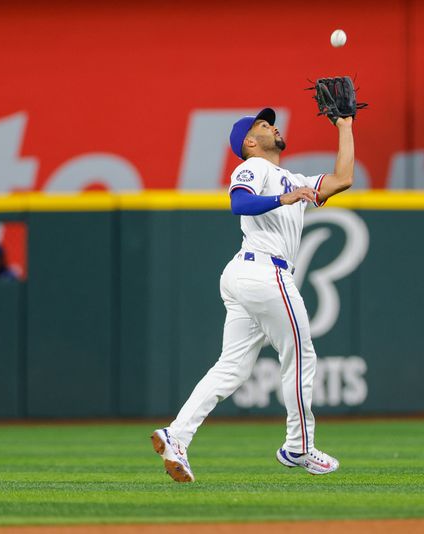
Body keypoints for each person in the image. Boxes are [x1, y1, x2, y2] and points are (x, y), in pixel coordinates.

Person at [151, 107, 355, 482]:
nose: (272, 126)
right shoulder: (255, 167)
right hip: (264, 271)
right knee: (300, 354)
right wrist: (285, 199)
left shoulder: (291, 177)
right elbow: (239, 202)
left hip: (249, 275)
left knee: (232, 367)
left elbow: (343, 179)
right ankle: (299, 446)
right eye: (263, 125)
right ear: (250, 142)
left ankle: (176, 435)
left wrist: (345, 126)